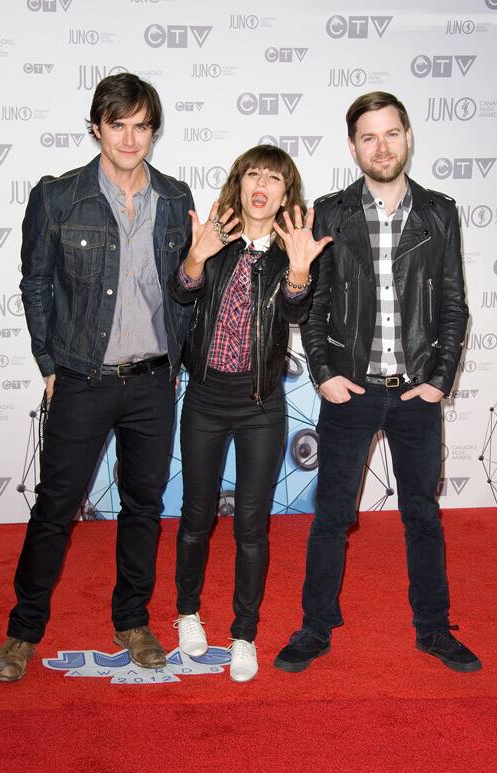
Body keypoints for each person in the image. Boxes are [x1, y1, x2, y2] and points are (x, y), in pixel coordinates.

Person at [0, 73, 194, 682]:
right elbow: (36, 285)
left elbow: (184, 290)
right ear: (96, 128)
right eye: (117, 124)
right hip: (81, 378)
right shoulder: (58, 197)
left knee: (144, 507)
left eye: (141, 125)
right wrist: (50, 365)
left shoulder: (177, 198)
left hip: (154, 382)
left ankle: (132, 620)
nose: (130, 138)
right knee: (55, 508)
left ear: (153, 130)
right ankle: (23, 631)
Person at [274, 92, 481, 675]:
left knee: (421, 513)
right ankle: (315, 628)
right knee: (333, 514)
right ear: (352, 146)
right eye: (369, 137)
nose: (382, 146)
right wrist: (323, 373)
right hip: (352, 389)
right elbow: (311, 307)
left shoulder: (440, 212)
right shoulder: (331, 212)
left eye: (391, 134)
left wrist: (440, 379)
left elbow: (453, 306)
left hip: (416, 391)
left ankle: (434, 629)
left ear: (408, 136)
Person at [168, 145, 332, 682]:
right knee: (195, 517)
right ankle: (187, 614)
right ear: (239, 184)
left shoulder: (293, 253)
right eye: (253, 175)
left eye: (274, 179)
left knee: (251, 527)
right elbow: (182, 291)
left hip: (261, 405)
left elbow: (293, 309)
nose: (261, 185)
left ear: (287, 195)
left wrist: (301, 272)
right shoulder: (213, 241)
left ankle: (244, 635)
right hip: (206, 401)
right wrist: (196, 256)